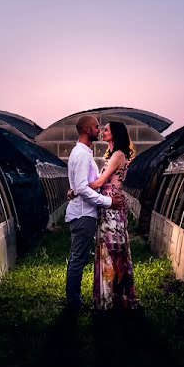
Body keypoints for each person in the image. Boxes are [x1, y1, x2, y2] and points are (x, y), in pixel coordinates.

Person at [65, 115, 124, 310]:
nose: (99, 131)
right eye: (97, 127)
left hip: (83, 212)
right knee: (78, 259)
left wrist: (74, 190)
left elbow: (82, 186)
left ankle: (75, 300)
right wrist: (107, 201)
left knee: (79, 257)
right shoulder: (82, 154)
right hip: (83, 214)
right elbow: (83, 188)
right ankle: (73, 303)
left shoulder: (83, 153)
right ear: (86, 130)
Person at [88, 121, 139, 310]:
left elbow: (101, 181)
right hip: (109, 207)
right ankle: (114, 297)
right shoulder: (113, 155)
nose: (102, 132)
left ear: (115, 134)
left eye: (106, 130)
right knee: (112, 250)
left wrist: (78, 189)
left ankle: (115, 299)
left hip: (112, 209)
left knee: (113, 251)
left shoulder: (118, 155)